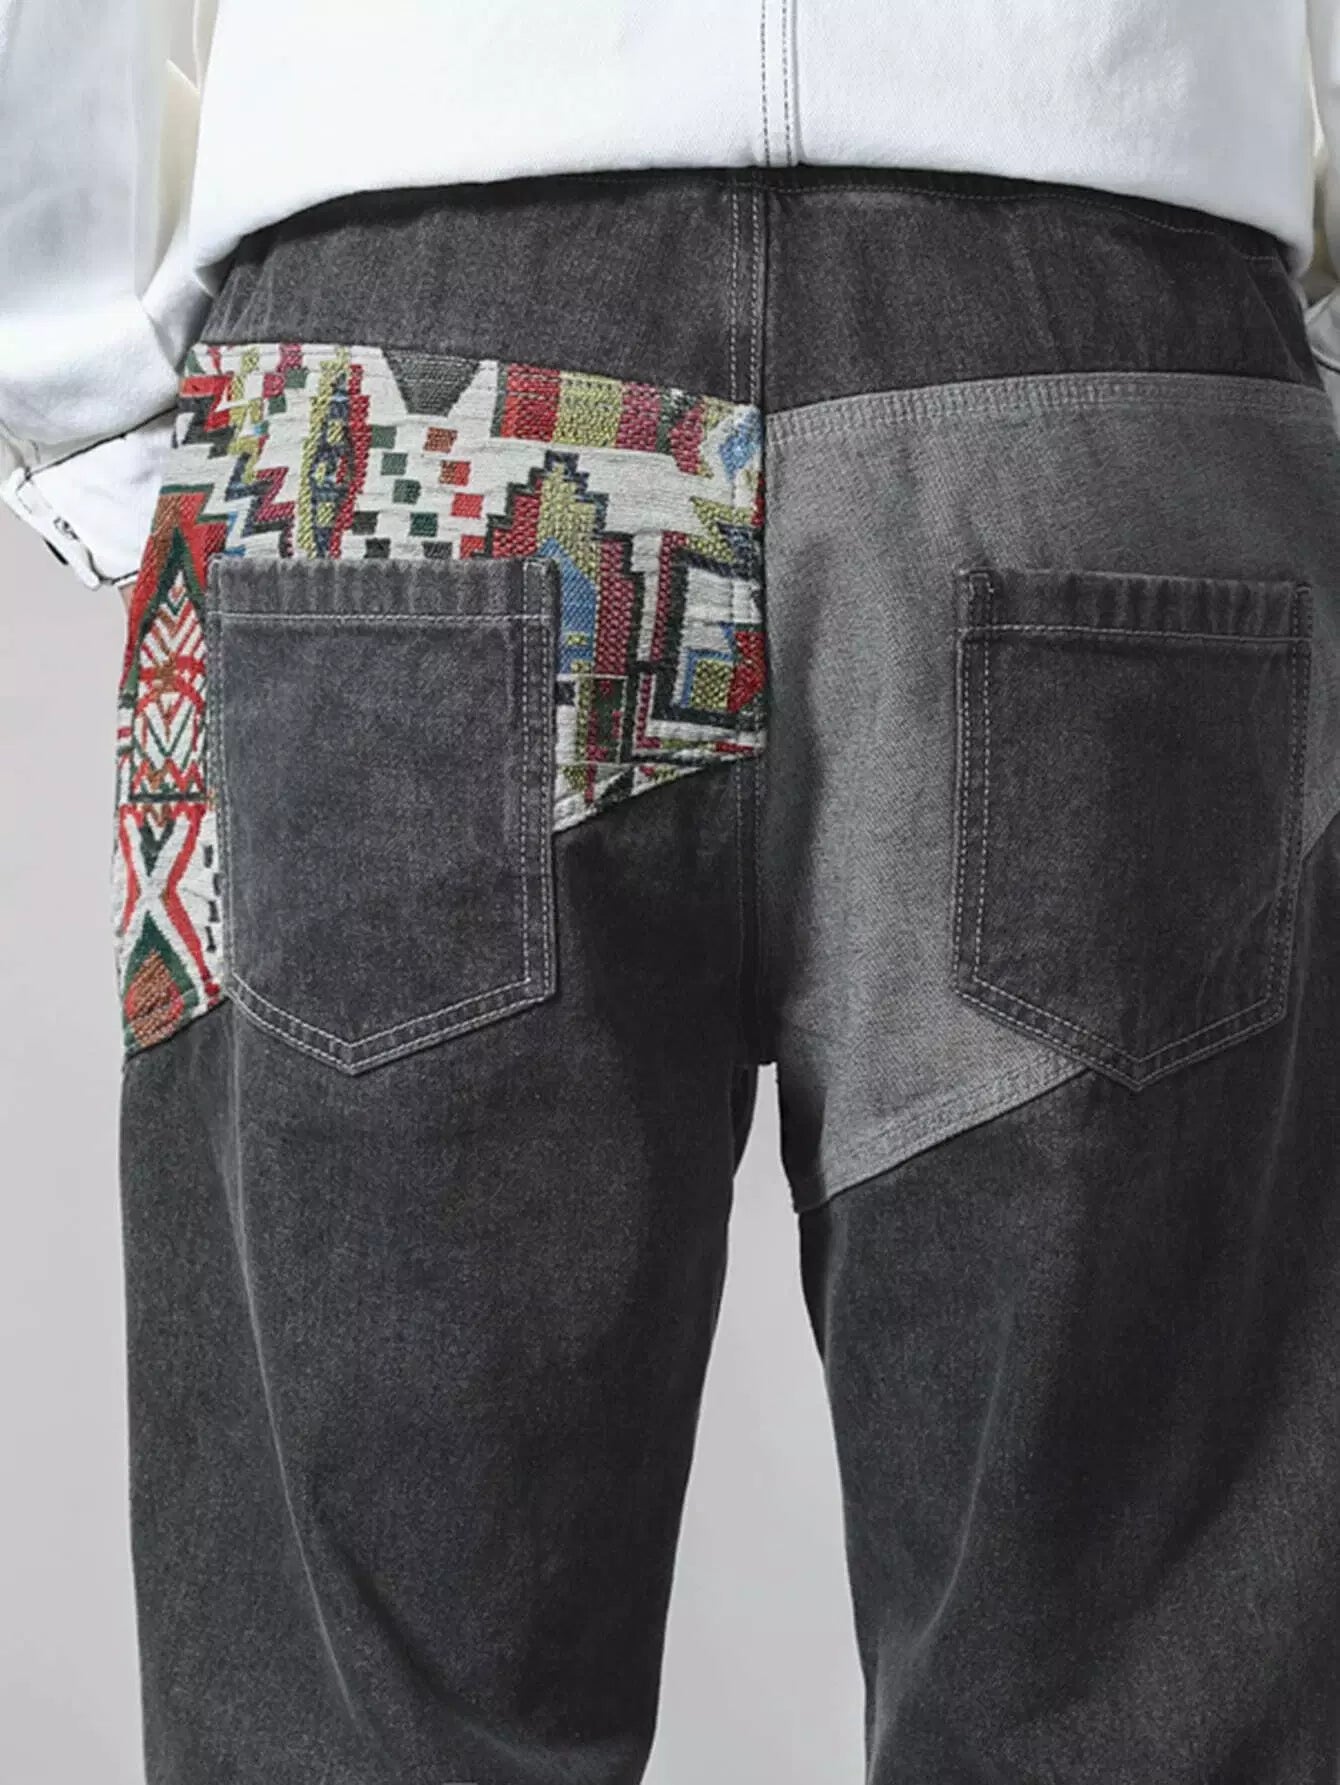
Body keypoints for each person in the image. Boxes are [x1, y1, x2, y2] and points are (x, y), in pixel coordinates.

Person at [5, 3, 1340, 1781]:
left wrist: (75, 381)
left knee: (364, 1737)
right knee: (1135, 1701)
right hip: (1117, 359)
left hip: (395, 425)